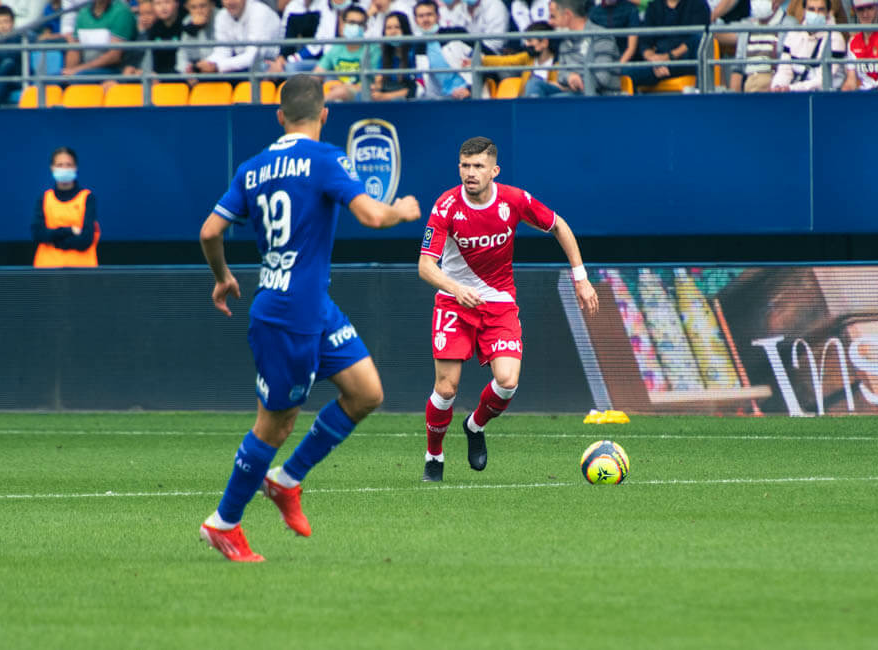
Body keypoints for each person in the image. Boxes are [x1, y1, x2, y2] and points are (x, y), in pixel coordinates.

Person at [197, 74, 421, 562]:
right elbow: (372, 216)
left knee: (366, 393)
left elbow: (210, 231)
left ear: (280, 116)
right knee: (274, 426)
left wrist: (222, 277)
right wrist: (402, 211)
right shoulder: (325, 159)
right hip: (289, 315)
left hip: (310, 305)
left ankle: (286, 480)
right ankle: (223, 522)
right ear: (325, 114)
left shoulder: (252, 168)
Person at [418, 136, 598, 482]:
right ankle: (434, 456)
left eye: (478, 166)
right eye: (465, 166)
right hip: (454, 302)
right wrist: (457, 289)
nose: (470, 173)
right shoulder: (446, 205)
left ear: (494, 171)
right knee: (446, 388)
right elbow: (425, 266)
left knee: (507, 382)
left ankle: (475, 426)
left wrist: (581, 278)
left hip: (499, 303)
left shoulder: (514, 200)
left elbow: (559, 225)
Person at [33, 146, 101, 268]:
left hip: (83, 270)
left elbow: (86, 239)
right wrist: (70, 230)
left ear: (75, 167)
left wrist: (55, 241)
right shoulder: (44, 198)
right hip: (47, 270)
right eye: (59, 165)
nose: (64, 169)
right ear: (52, 168)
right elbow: (38, 234)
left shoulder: (87, 198)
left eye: (68, 165)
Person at [540, 0, 620, 95]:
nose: (549, 22)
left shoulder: (601, 36)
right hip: (572, 92)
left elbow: (602, 78)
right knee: (534, 84)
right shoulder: (564, 41)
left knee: (557, 99)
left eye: (553, 16)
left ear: (567, 15)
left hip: (599, 96)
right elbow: (561, 75)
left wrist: (577, 81)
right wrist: (569, 77)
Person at [632, 0, 710, 89]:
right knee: (625, 73)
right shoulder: (654, 6)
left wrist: (667, 57)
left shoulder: (698, 4)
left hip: (685, 62)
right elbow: (645, 42)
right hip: (658, 64)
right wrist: (653, 60)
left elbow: (698, 38)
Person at [770, 0, 846, 91]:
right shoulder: (793, 34)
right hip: (795, 92)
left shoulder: (835, 38)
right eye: (811, 9)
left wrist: (791, 88)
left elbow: (822, 80)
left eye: (821, 10)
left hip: (825, 95)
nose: (816, 13)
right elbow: (784, 70)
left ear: (828, 13)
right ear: (804, 11)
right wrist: (778, 86)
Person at [314, 4, 381, 100]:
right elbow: (317, 75)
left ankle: (315, 106)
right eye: (352, 23)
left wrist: (345, 87)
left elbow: (377, 85)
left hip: (362, 94)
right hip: (337, 93)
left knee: (340, 92)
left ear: (365, 28)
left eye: (360, 24)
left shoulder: (373, 50)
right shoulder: (336, 48)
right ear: (342, 24)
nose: (356, 27)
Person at [728, 0, 798, 92]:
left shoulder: (789, 25)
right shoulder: (746, 25)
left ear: (776, 2)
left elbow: (788, 68)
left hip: (774, 84)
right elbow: (738, 69)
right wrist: (734, 98)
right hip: (749, 83)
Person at [197, 0, 281, 76]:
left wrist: (218, 66)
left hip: (271, 64)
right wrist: (203, 65)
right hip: (242, 66)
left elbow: (254, 56)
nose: (230, 2)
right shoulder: (222, 16)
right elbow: (222, 52)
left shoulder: (259, 12)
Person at [480, 20, 560, 96]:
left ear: (544, 42)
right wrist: (481, 59)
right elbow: (505, 61)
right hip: (524, 102)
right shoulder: (527, 57)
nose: (526, 44)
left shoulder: (558, 64)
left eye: (530, 40)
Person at [62, 0, 138, 77]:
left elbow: (114, 56)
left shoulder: (122, 11)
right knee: (58, 78)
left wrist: (78, 69)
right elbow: (74, 49)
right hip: (85, 69)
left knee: (79, 76)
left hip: (115, 70)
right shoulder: (83, 12)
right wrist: (68, 73)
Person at [268, 0, 338, 74]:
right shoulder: (292, 6)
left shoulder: (327, 5)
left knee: (290, 67)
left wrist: (289, 59)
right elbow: (285, 37)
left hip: (322, 59)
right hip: (297, 58)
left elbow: (316, 48)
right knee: (267, 67)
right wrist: (280, 59)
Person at [842, 0, 878, 91]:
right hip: (862, 95)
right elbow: (851, 80)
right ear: (855, 12)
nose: (865, 14)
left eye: (870, 8)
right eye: (860, 9)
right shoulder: (852, 42)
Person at [371, 10, 418, 100]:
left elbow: (417, 88)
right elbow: (379, 80)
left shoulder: (414, 51)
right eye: (388, 28)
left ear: (405, 29)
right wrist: (375, 87)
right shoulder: (384, 53)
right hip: (389, 94)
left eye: (397, 27)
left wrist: (385, 96)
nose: (393, 32)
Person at [176, 0, 217, 78]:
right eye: (193, 7)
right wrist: (187, 73)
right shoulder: (187, 21)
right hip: (195, 73)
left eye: (203, 6)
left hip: (219, 71)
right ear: (187, 8)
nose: (199, 11)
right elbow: (182, 54)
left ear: (212, 5)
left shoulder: (220, 17)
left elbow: (223, 52)